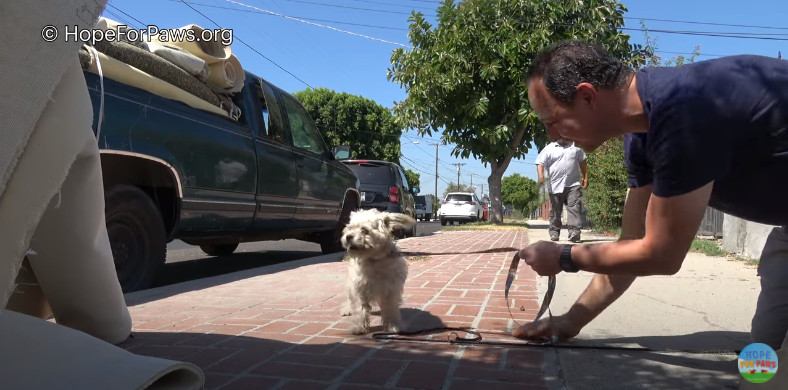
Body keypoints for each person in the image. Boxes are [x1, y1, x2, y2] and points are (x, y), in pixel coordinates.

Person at [514, 41, 788, 386]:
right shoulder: (641, 136)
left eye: (552, 120)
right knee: (764, 356)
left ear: (587, 96)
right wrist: (569, 323)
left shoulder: (685, 110)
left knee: (778, 379)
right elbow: (632, 247)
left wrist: (565, 256)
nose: (552, 134)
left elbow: (661, 255)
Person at [536, 137, 588, 242]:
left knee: (574, 208)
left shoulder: (576, 147)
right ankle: (554, 232)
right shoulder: (549, 148)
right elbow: (540, 163)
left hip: (573, 184)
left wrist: (585, 178)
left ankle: (574, 233)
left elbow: (583, 162)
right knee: (556, 211)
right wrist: (541, 177)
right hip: (554, 186)